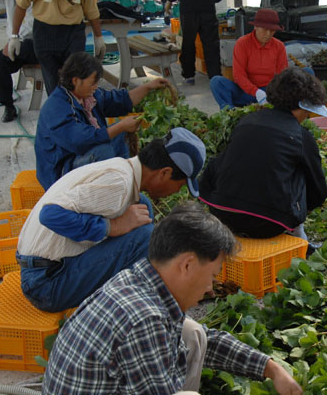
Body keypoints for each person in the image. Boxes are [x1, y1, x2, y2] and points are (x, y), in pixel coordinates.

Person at [38, 202, 303, 395]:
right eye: (212, 275)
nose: (211, 287)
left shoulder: (140, 282)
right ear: (187, 264)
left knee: (192, 334)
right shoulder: (143, 319)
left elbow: (208, 342)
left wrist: (271, 369)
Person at [16, 127, 206, 313]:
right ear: (164, 173)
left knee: (143, 208)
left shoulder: (122, 169)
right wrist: (112, 226)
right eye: (180, 185)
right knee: (145, 237)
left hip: (46, 271)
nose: (176, 192)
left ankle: (145, 290)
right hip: (46, 285)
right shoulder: (119, 183)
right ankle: (147, 304)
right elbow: (50, 215)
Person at [199, 67, 327, 239]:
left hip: (221, 214)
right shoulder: (301, 137)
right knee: (300, 172)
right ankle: (298, 234)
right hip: (268, 224)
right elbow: (319, 192)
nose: (307, 115)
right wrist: (304, 208)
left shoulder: (247, 121)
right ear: (302, 106)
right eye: (308, 111)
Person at [35, 51, 170, 190]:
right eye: (92, 83)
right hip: (60, 173)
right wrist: (120, 126)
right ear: (75, 80)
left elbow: (120, 101)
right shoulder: (57, 107)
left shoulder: (89, 95)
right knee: (103, 150)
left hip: (80, 157)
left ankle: (123, 182)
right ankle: (111, 189)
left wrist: (147, 87)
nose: (95, 87)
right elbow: (82, 141)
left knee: (120, 134)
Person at [10, 0, 105, 95]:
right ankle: (59, 113)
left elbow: (90, 8)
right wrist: (14, 37)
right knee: (52, 80)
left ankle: (78, 112)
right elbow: (22, 4)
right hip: (45, 32)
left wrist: (98, 37)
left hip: (73, 31)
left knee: (76, 77)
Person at [165, 0, 222, 85]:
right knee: (211, 44)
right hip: (207, 8)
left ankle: (189, 75)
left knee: (188, 42)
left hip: (189, 8)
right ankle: (215, 77)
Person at [210, 8, 288, 109]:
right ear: (255, 26)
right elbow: (239, 75)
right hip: (245, 92)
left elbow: (281, 75)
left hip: (270, 93)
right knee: (216, 82)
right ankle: (229, 112)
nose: (268, 34)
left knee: (303, 75)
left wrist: (272, 94)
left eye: (272, 30)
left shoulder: (279, 46)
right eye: (265, 29)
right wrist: (256, 92)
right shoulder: (242, 43)